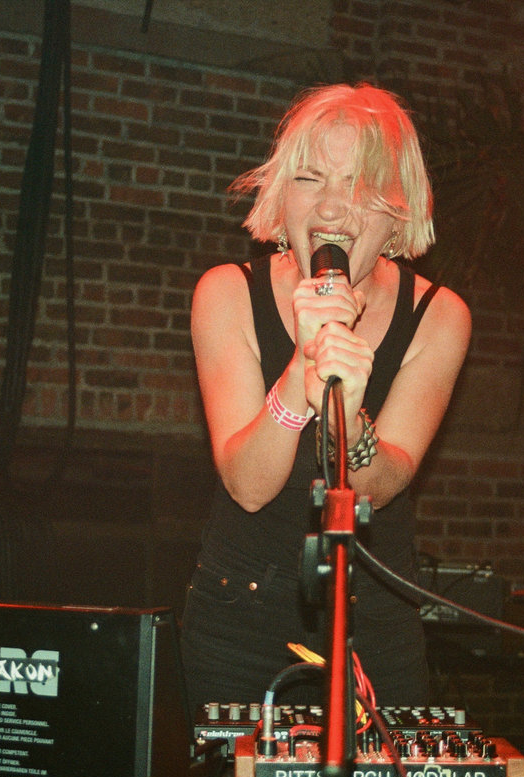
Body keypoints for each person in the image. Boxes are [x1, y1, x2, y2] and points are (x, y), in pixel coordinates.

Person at [181, 83, 471, 715]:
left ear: (399, 210)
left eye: (359, 186)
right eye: (310, 179)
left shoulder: (439, 315)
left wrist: (350, 416)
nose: (332, 207)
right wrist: (300, 369)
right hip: (240, 620)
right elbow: (248, 485)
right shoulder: (225, 293)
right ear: (281, 198)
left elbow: (382, 484)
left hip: (376, 627)